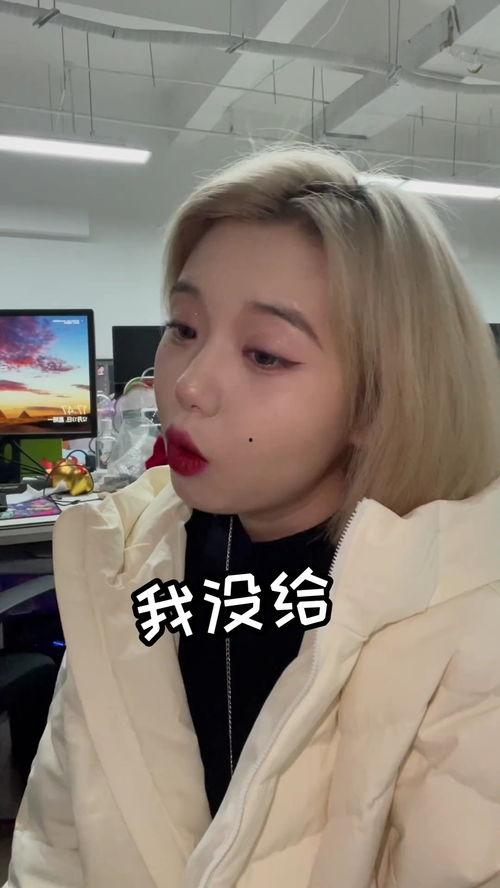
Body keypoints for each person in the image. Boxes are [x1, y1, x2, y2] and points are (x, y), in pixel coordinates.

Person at [5, 144, 500, 888]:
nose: (187, 385)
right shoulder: (126, 565)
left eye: (265, 354)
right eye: (183, 327)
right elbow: (52, 852)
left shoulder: (471, 629)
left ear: (380, 399)